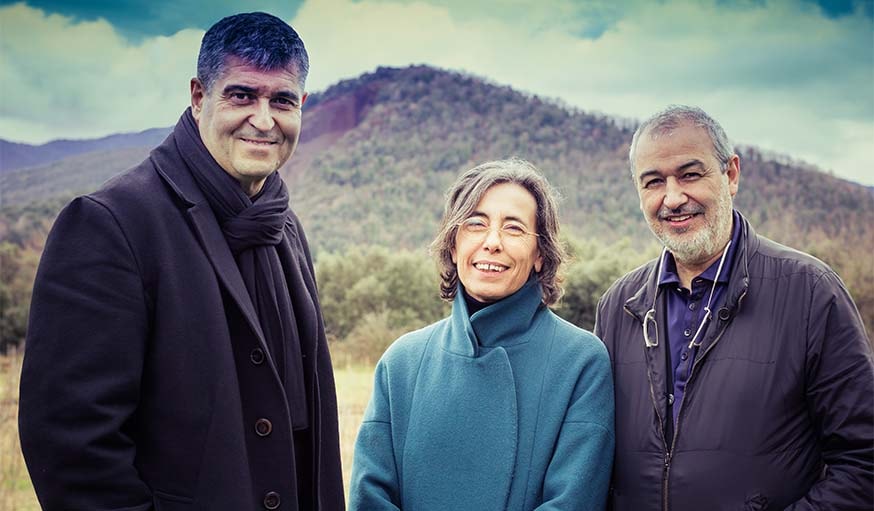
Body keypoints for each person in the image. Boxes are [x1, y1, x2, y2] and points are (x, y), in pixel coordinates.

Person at [19, 12, 344, 510]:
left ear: (301, 106)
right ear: (198, 97)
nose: (263, 119)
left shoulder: (286, 228)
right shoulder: (111, 224)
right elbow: (72, 447)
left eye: (281, 100)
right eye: (241, 95)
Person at [594, 105, 874, 510]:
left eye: (690, 174)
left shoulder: (811, 292)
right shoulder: (619, 306)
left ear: (731, 175)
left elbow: (862, 462)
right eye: (653, 182)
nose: (673, 197)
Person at [348, 159, 615, 510]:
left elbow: (572, 502)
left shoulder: (581, 362)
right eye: (475, 224)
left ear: (540, 254)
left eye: (514, 229)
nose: (492, 242)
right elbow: (370, 497)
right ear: (454, 245)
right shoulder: (402, 362)